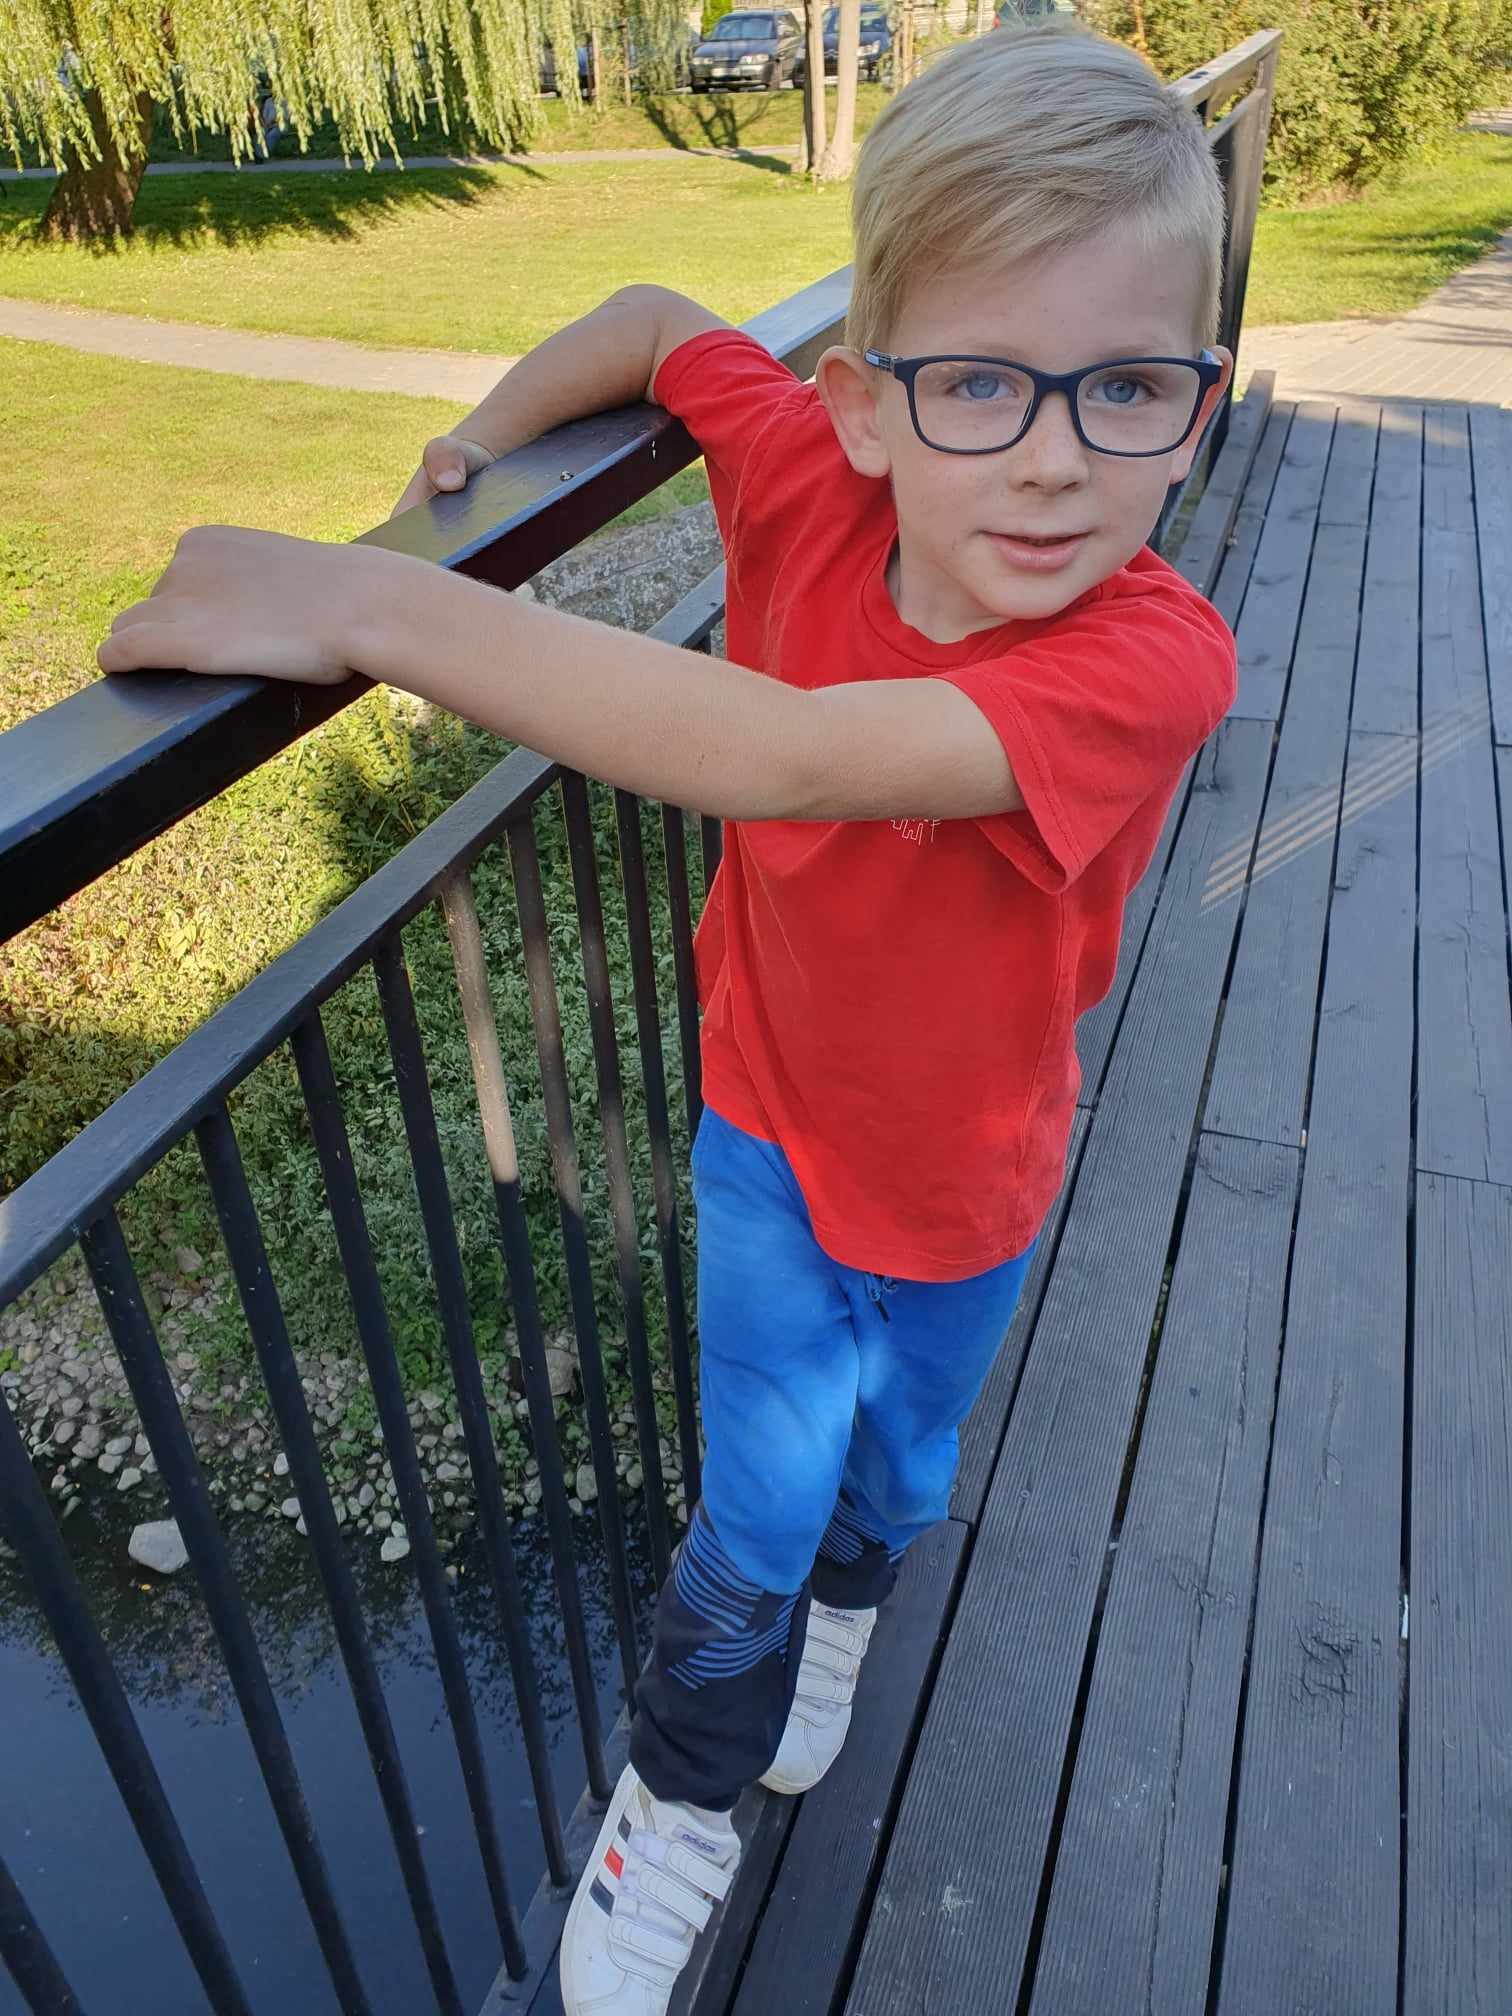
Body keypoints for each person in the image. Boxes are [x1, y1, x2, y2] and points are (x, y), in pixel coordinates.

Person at [98, 21, 1237, 2013]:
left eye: (1127, 386)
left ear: (1197, 414)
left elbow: (781, 754)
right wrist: (471, 443)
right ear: (860, 406)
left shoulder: (1152, 658)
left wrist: (370, 601)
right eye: (980, 382)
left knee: (900, 1467)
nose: (1055, 456)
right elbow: (647, 323)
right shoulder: (798, 470)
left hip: (973, 1172)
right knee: (757, 1505)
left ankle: (850, 1617)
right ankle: (682, 1795)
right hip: (771, 1133)